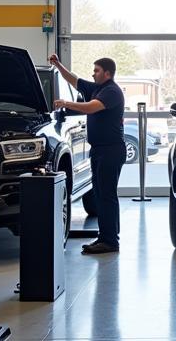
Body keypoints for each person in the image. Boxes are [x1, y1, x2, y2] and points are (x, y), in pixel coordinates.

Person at [49, 54, 126, 255]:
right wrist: (58, 65)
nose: (93, 73)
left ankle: (110, 241)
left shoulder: (111, 91)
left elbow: (92, 107)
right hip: (99, 149)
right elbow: (74, 80)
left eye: (97, 70)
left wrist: (66, 103)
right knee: (101, 195)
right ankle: (106, 236)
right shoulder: (97, 88)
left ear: (107, 73)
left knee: (106, 195)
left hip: (111, 150)